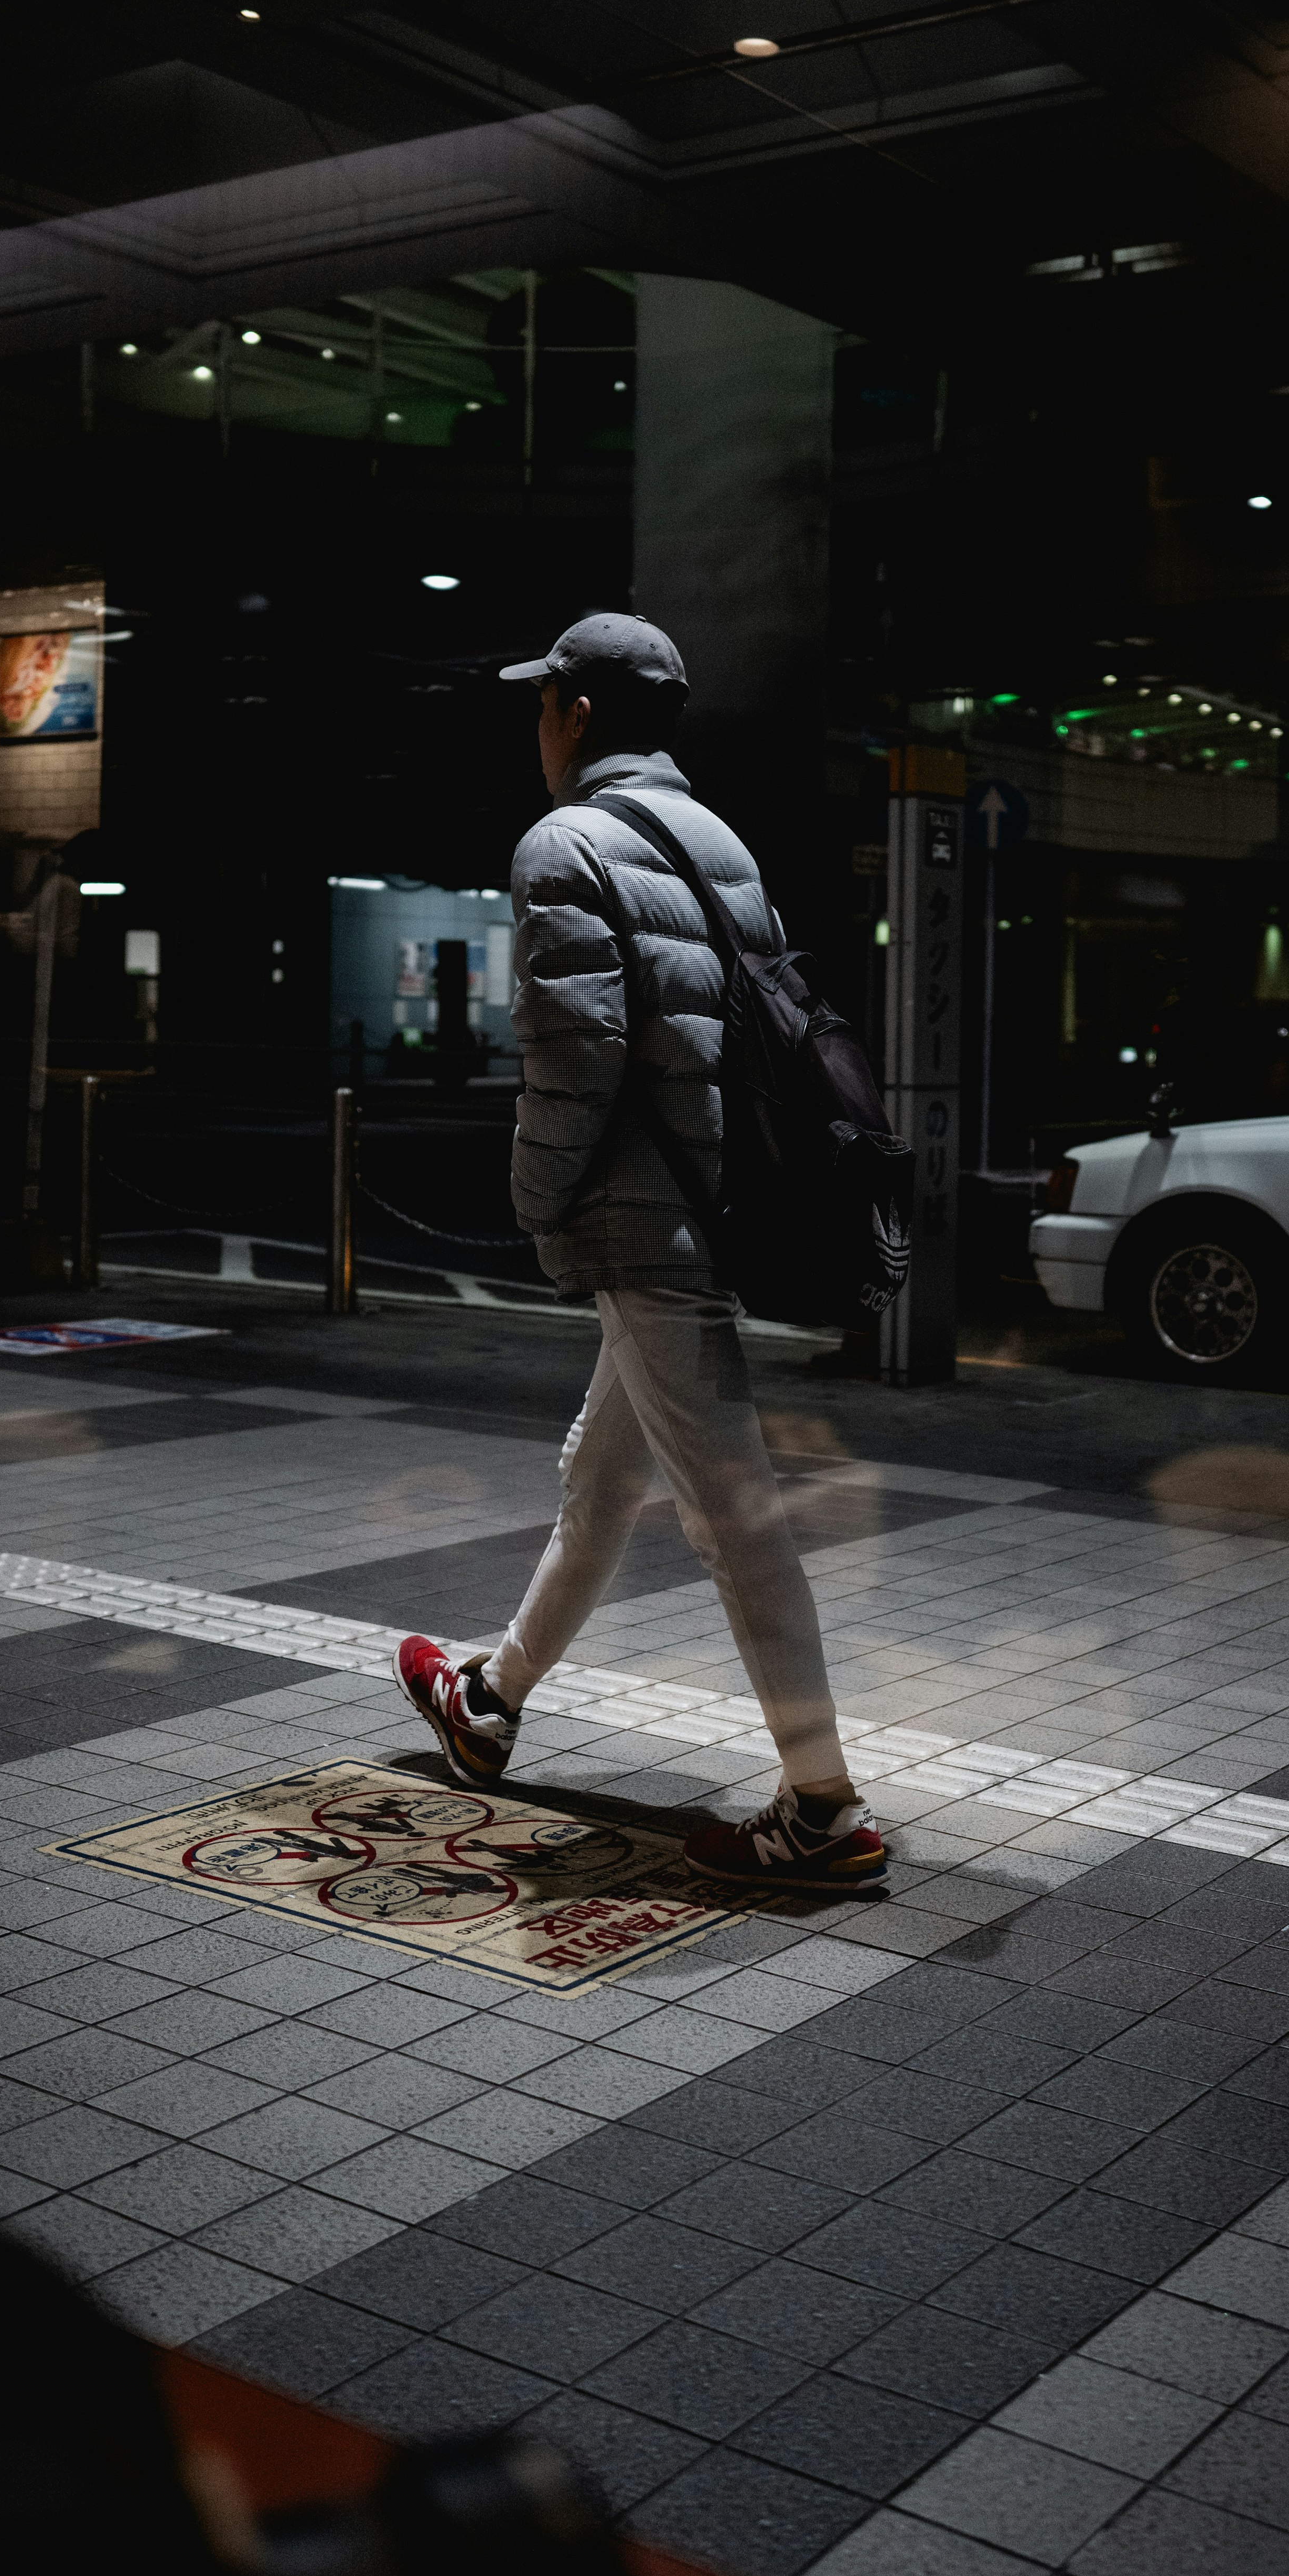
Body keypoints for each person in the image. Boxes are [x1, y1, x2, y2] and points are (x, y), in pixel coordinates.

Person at [393, 613, 886, 1892]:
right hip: (713, 1203)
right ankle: (489, 1699)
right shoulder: (716, 838)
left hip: (639, 1221)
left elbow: (575, 1058)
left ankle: (821, 1808)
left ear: (579, 712)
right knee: (602, 1479)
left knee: (733, 1510)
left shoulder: (564, 845)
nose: (536, 726)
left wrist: (534, 1198)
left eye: (542, 702)